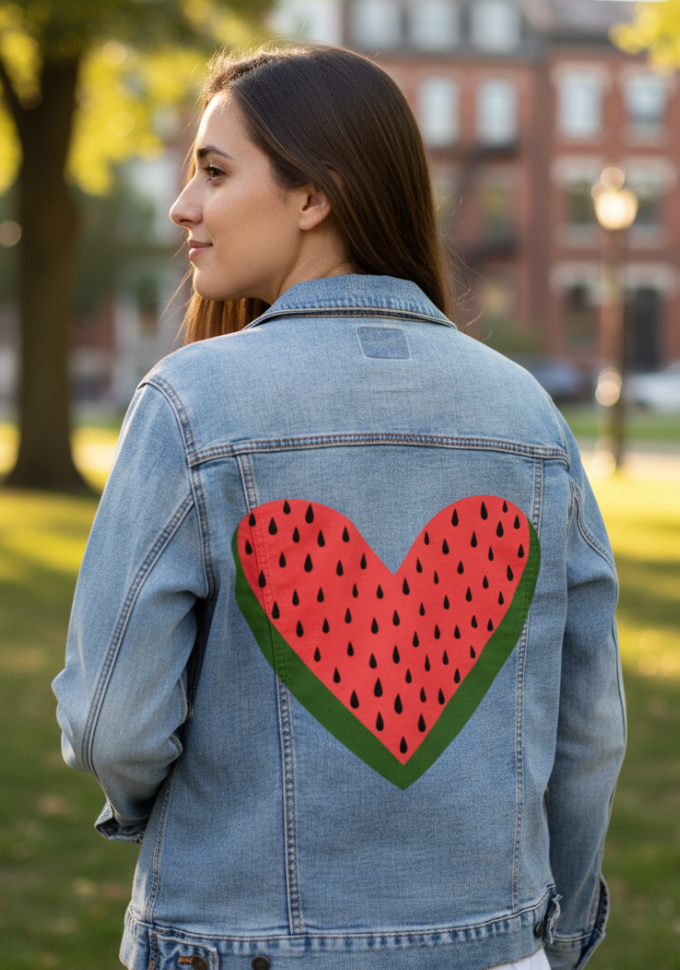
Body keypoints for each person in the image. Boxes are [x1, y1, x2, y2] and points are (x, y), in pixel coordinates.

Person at [54, 42, 625, 970]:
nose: (182, 205)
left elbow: (115, 722)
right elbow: (589, 731)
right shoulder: (530, 414)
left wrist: (150, 810)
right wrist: (548, 939)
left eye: (214, 170)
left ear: (314, 196)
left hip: (236, 944)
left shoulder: (189, 403)